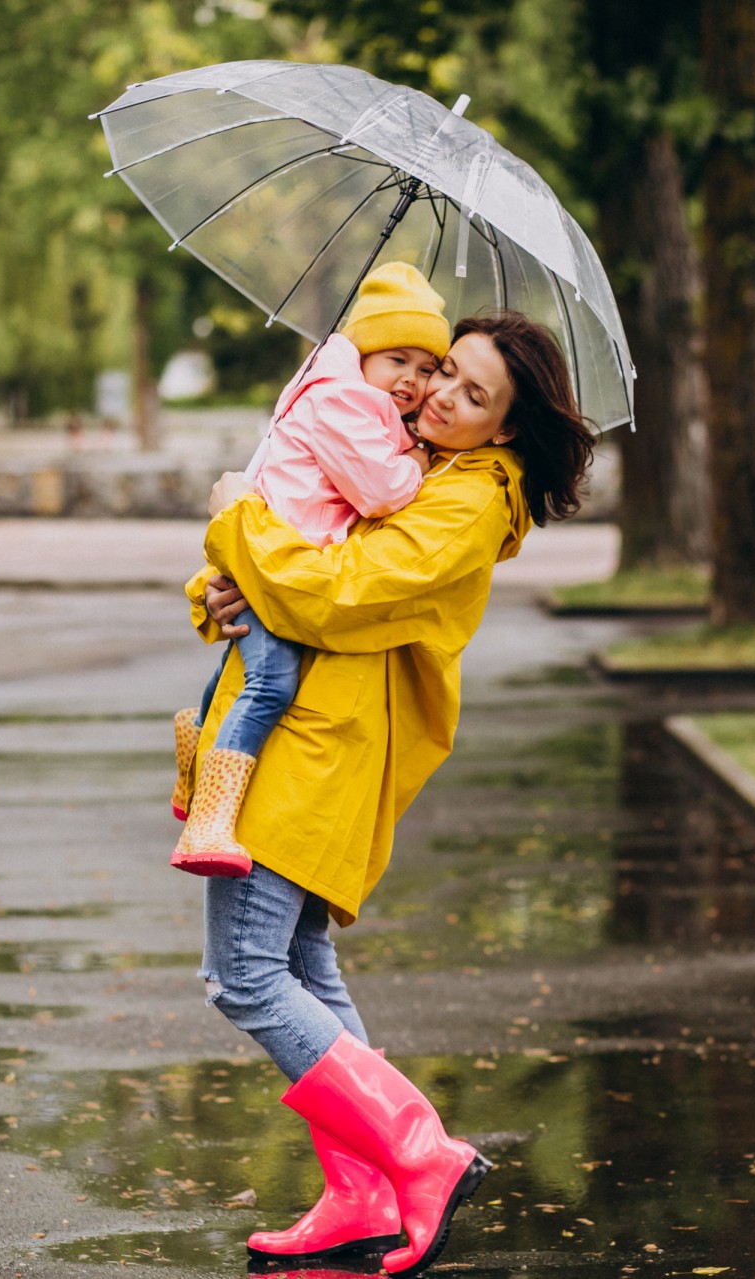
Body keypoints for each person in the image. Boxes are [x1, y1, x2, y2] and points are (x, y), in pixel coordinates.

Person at [183, 310, 595, 1276]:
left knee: (245, 972)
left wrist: (236, 519)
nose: (439, 394)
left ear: (507, 427)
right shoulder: (413, 458)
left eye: (473, 394)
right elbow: (301, 553)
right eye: (444, 370)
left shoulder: (470, 500)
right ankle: (361, 1192)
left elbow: (339, 592)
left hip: (318, 745)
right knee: (302, 961)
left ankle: (420, 1149)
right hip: (308, 726)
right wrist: (221, 589)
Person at [169, 261, 448, 878]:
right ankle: (210, 819)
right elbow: (380, 490)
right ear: (363, 353)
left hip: (274, 554)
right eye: (397, 359)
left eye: (428, 367)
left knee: (241, 669)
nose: (412, 378)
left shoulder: (343, 395)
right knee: (272, 683)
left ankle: (196, 747)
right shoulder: (342, 401)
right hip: (277, 562)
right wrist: (418, 463)